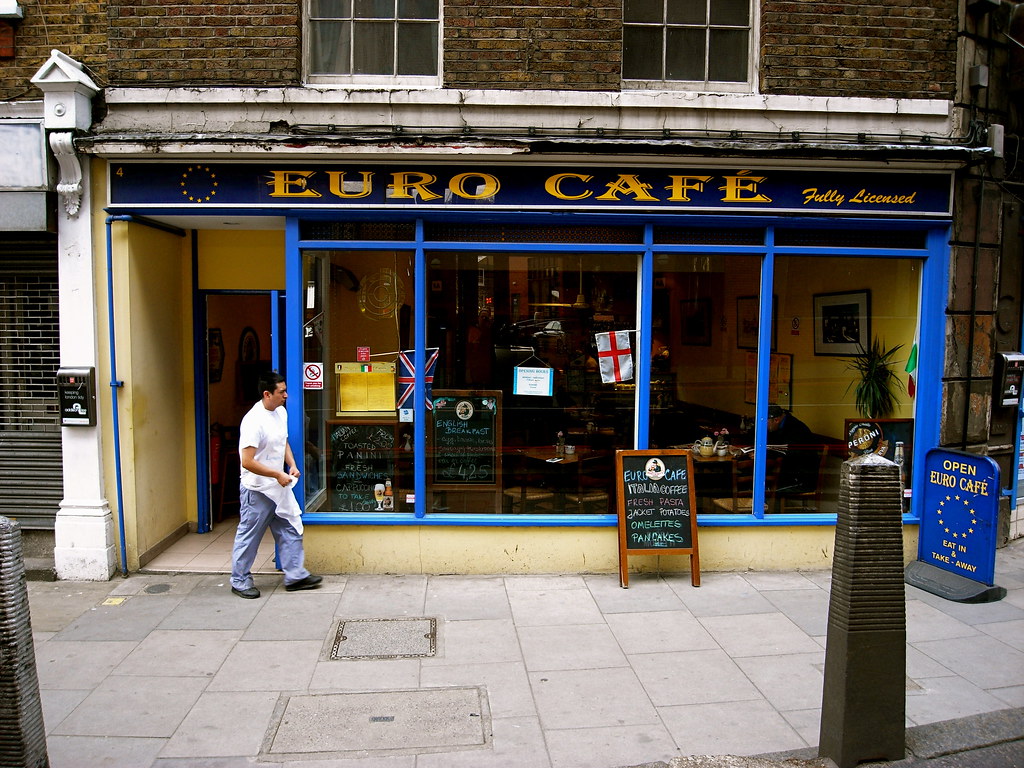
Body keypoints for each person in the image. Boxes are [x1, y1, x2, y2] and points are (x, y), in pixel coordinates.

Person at [230, 371, 321, 598]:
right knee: (249, 536)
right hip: (257, 489)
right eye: (282, 392)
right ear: (267, 394)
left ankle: (295, 576)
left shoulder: (280, 412)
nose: (286, 395)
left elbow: (283, 441)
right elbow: (247, 461)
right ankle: (240, 580)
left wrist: (291, 464)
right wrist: (276, 474)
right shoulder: (253, 422)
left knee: (290, 527)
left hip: (278, 487)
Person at [767, 405, 818, 493]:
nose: (763, 426)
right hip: (789, 473)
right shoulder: (780, 426)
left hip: (801, 479)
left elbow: (785, 452)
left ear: (776, 420)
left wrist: (764, 454)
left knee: (762, 485)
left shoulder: (795, 429)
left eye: (765, 422)